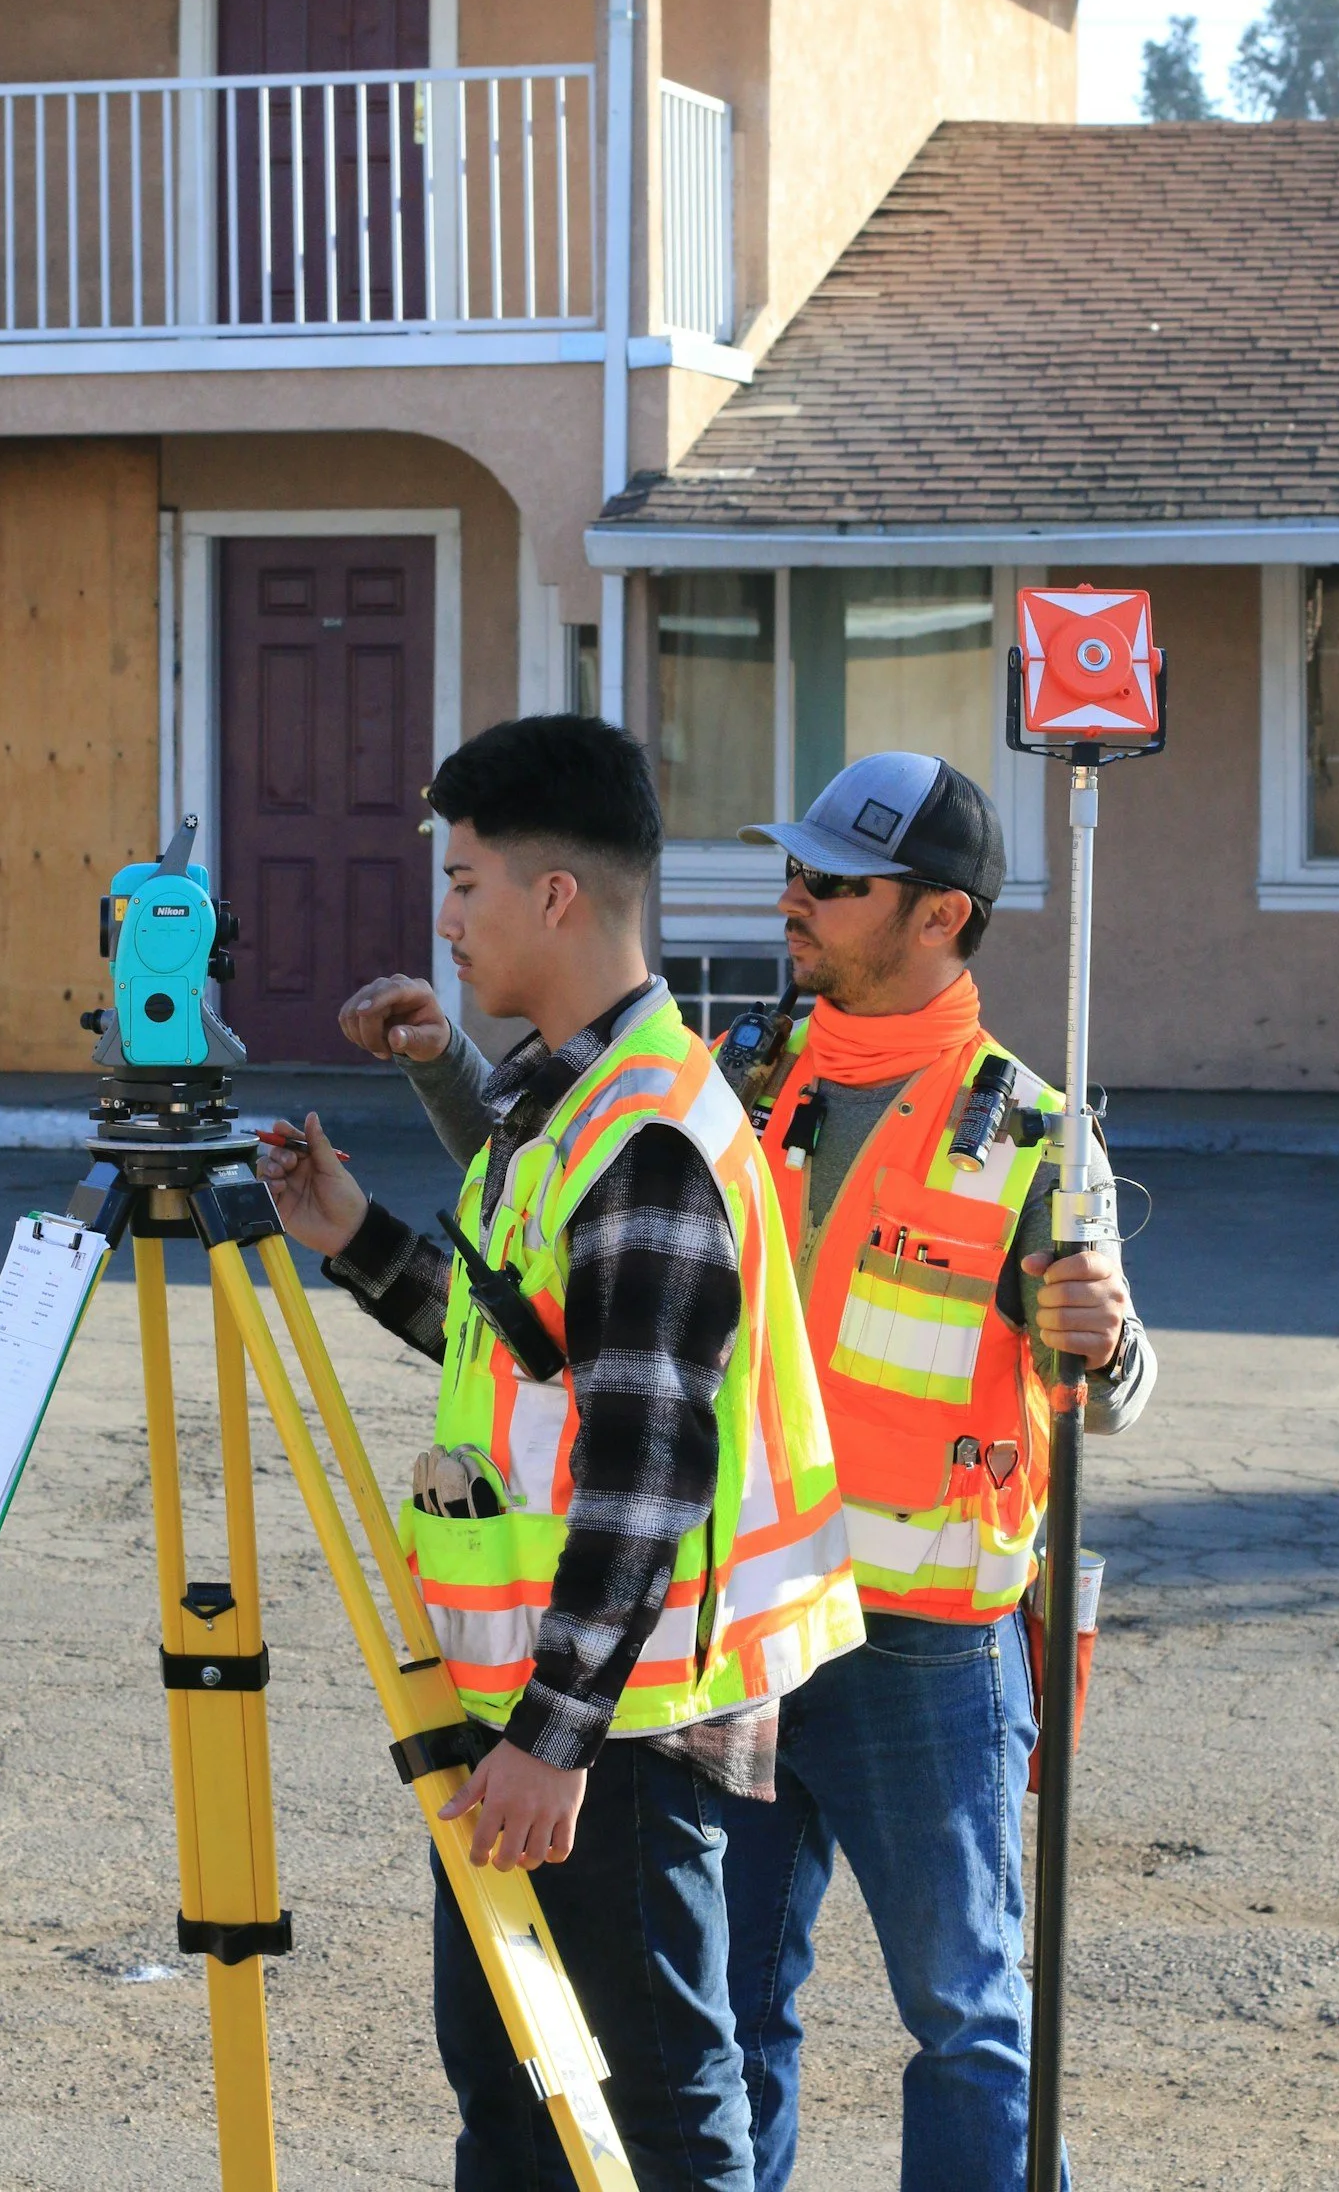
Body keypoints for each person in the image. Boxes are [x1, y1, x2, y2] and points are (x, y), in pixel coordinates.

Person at [340, 749, 1157, 2192]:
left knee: (966, 2017)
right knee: (735, 2021)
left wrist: (1105, 1342)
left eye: (832, 885)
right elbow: (559, 1214)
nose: (791, 901)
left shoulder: (1028, 1128)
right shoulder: (745, 1082)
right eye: (791, 870)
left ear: (938, 918)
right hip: (759, 1640)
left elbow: (1116, 1392)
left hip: (929, 1650)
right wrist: (442, 1073)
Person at [260, 714, 863, 2192]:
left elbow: (644, 1466)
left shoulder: (644, 1131)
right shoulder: (565, 1103)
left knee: (653, 2115)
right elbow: (522, 1360)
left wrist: (553, 1735)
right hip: (540, 1708)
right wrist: (353, 1238)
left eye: (464, 882)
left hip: (619, 1735)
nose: (443, 918)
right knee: (517, 2100)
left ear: (554, 897)